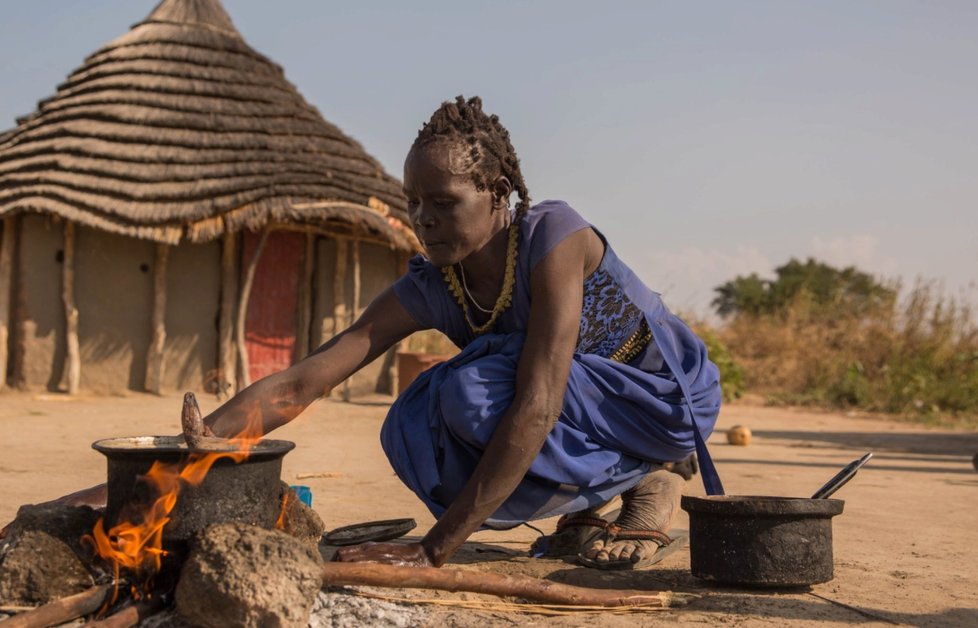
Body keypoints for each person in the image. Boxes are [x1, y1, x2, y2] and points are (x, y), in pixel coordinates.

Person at [8, 96, 724, 570]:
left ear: (499, 193)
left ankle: (649, 474)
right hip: (576, 408)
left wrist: (433, 552)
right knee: (410, 419)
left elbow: (537, 401)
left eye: (445, 202)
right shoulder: (429, 282)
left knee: (472, 393)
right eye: (415, 204)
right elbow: (303, 380)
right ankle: (597, 499)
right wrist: (150, 479)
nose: (426, 219)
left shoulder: (554, 238)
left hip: (661, 398)